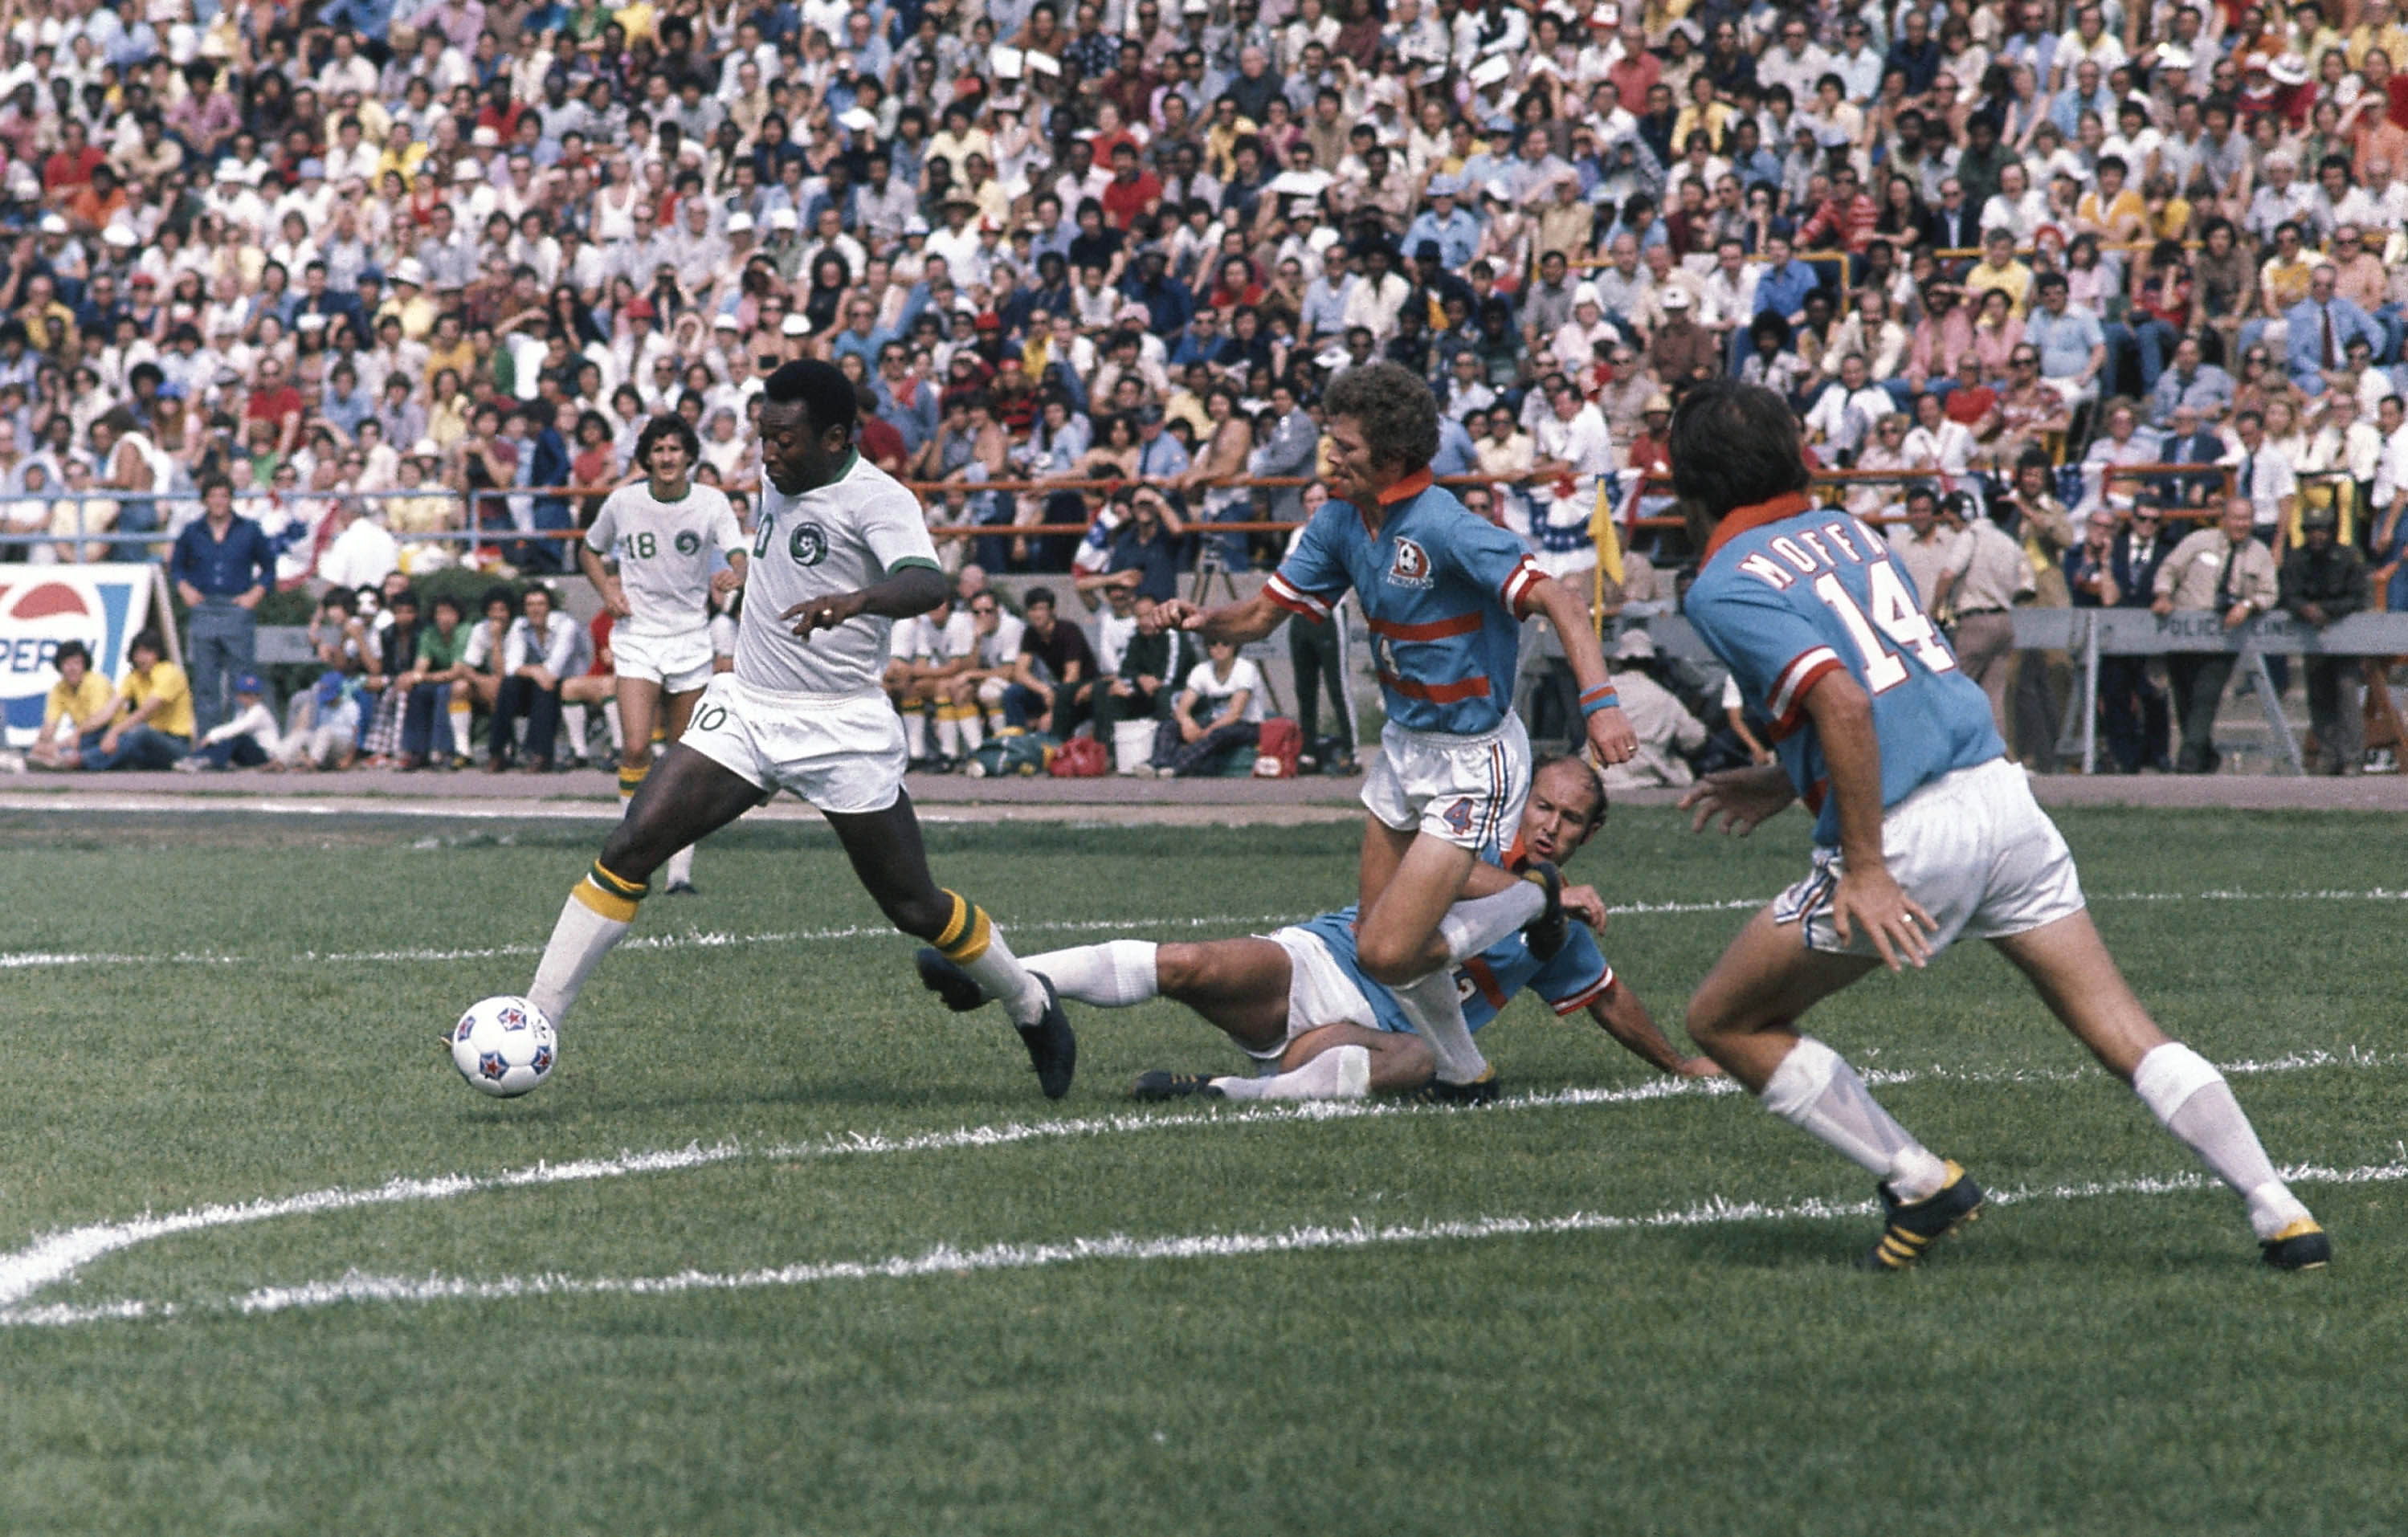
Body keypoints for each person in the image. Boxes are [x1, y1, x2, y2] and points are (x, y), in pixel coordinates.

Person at [1669, 379, 2327, 1272]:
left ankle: (1919, 1179)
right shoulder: (1854, 531)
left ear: (1690, 479)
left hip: (1907, 830)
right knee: (2123, 1028)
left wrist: (1862, 864)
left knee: (1725, 1019)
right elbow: (1891, 684)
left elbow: (1846, 702)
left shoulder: (1719, 581)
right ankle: (2278, 1208)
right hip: (1999, 795)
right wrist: (1783, 779)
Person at [518, 361, 1076, 1099]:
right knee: (629, 846)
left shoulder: (879, 499)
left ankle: (1031, 1004)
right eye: (762, 438)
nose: (767, 455)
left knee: (913, 905)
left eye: (783, 441)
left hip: (840, 725)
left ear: (837, 437)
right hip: (748, 707)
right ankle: (533, 1022)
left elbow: (929, 582)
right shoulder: (778, 473)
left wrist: (858, 600)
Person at [1156, 361, 1638, 1099]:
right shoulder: (1340, 520)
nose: (1330, 457)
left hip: (1474, 755)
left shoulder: (1446, 525)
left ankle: (1534, 898)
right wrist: (1201, 618)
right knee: (1377, 940)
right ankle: (1464, 1076)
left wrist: (1600, 702)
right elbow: (1258, 616)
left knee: (1387, 952)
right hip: (1404, 750)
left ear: (1390, 458)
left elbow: (1565, 601)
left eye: (1344, 446)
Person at [934, 756, 1716, 1100]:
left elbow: (1608, 999)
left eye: (1570, 820)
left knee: (1420, 1061)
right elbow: (1421, 861)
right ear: (1520, 804)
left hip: (1355, 1038)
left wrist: (1678, 1063)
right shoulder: (1472, 846)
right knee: (1193, 963)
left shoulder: (1560, 926)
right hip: (1315, 967)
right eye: (1542, 807)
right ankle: (1008, 977)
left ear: (1588, 834)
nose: (1550, 826)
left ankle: (1221, 1092)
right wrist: (1543, 890)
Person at [581, 414, 748, 895]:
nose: (667, 458)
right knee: (635, 746)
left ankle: (680, 872)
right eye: (658, 450)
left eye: (675, 449)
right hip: (637, 636)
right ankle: (629, 856)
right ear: (647, 457)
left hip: (690, 637)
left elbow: (739, 553)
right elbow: (589, 551)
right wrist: (607, 590)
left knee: (685, 757)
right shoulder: (624, 501)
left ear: (689, 456)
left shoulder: (711, 502)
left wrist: (735, 573)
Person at [2153, 496, 2279, 776]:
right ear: (2224, 519)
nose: (2241, 525)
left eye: (2246, 519)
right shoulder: (2199, 541)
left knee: (2206, 697)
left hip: (2225, 638)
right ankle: (2206, 756)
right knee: (2185, 699)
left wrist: (2248, 605)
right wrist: (2163, 594)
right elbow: (2169, 569)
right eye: (2236, 518)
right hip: (2185, 633)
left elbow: (2270, 593)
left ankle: (2187, 764)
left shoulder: (2259, 553)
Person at [166, 475, 275, 739]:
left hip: (236, 607)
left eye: (224, 496)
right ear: (205, 500)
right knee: (206, 681)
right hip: (204, 607)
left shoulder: (249, 529)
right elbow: (176, 566)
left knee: (243, 681)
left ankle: (242, 744)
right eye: (213, 496)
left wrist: (255, 595)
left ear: (231, 499)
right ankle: (210, 743)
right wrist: (184, 588)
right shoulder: (193, 531)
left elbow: (269, 569)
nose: (218, 501)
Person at [2278, 503, 2370, 773]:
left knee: (2346, 694)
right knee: (2319, 696)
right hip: (2313, 639)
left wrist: (2327, 611)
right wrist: (2303, 609)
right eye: (2311, 530)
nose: (2317, 536)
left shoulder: (2348, 557)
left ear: (2332, 531)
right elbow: (2288, 594)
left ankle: (2352, 757)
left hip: (2344, 638)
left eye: (2322, 530)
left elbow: (2358, 597)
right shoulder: (2297, 559)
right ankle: (2328, 754)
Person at [82, 630, 194, 772]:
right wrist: (77, 733)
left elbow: (144, 713)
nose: (142, 658)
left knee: (140, 731)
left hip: (176, 744)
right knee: (101, 730)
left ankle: (83, 761)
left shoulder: (169, 672)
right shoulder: (133, 677)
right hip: (148, 744)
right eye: (138, 653)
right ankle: (63, 754)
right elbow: (108, 711)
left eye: (147, 652)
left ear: (157, 654)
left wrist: (114, 733)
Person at [27, 640, 113, 771]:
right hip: (83, 735)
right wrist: (41, 743)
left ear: (85, 665)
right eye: (67, 664)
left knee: (77, 743)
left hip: (110, 731)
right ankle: (52, 758)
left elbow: (98, 721)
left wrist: (59, 745)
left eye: (77, 663)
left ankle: (63, 760)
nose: (72, 669)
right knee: (39, 749)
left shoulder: (97, 682)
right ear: (60, 666)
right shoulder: (59, 688)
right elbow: (50, 724)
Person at [181, 672, 280, 770]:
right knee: (228, 738)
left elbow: (238, 728)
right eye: (245, 694)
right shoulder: (242, 712)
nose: (250, 698)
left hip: (266, 756)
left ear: (260, 696)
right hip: (248, 753)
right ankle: (195, 758)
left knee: (238, 737)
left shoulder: (260, 711)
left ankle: (209, 761)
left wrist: (212, 735)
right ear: (238, 696)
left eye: (254, 695)